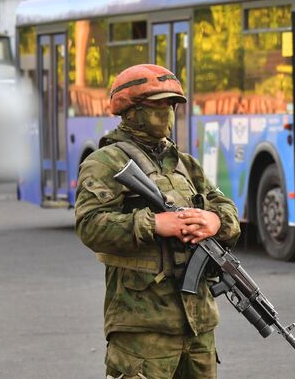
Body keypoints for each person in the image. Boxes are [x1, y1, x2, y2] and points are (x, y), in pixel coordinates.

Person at [74, 63, 241, 379]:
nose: (167, 112)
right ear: (132, 111)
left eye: (171, 105)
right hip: (142, 326)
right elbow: (90, 225)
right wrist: (155, 224)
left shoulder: (184, 163)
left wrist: (215, 221)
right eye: (157, 105)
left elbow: (225, 205)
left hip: (198, 325)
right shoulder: (104, 162)